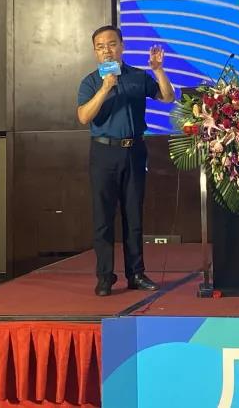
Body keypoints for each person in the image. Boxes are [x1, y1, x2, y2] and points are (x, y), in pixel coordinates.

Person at [76, 26, 174, 296]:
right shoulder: (90, 82)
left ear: (122, 46)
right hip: (103, 153)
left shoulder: (138, 76)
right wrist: (105, 88)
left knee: (134, 215)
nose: (106, 50)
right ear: (95, 52)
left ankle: (136, 274)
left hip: (134, 151)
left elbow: (168, 97)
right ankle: (105, 277)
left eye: (111, 44)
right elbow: (84, 117)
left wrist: (158, 71)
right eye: (100, 47)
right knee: (103, 218)